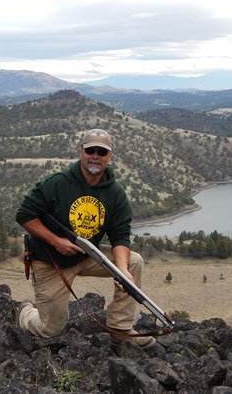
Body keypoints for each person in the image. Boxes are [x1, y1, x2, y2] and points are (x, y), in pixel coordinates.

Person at [15, 128, 155, 349]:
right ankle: (25, 313)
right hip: (51, 261)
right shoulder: (57, 183)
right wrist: (56, 241)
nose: (95, 156)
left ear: (110, 157)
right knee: (50, 331)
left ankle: (120, 329)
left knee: (133, 262)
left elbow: (120, 234)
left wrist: (122, 272)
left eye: (102, 151)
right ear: (81, 151)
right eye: (91, 150)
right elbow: (24, 215)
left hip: (86, 256)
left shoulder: (115, 193)